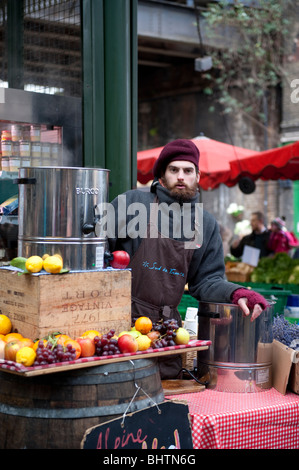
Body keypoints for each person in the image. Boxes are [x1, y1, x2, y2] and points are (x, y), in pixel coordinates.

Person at [107, 139, 268, 379]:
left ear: (197, 176)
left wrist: (237, 293)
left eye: (187, 170)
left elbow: (206, 281)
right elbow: (97, 252)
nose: (181, 176)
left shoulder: (204, 224)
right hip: (120, 328)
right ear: (162, 175)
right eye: (174, 170)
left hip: (167, 334)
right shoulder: (133, 204)